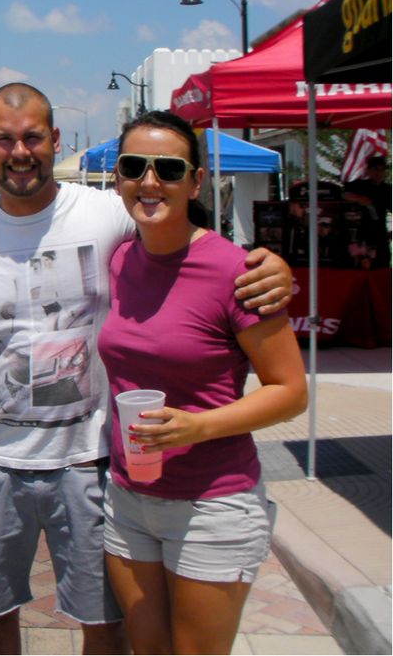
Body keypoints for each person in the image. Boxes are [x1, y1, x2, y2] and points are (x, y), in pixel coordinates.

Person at [0, 84, 293, 655]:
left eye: (32, 138)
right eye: (5, 139)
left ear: (55, 140)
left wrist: (273, 266)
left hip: (95, 459)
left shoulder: (108, 214)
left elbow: (189, 248)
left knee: (108, 623)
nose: (19, 151)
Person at [98, 110, 307, 654]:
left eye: (167, 168)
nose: (149, 181)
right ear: (117, 177)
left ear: (195, 181)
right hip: (128, 498)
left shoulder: (238, 272)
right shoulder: (118, 258)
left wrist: (198, 426)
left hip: (212, 505)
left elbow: (290, 391)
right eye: (133, 166)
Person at [344, 155, 391, 267]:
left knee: (381, 269)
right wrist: (359, 199)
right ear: (368, 171)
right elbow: (343, 194)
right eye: (375, 169)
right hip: (359, 236)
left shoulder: (388, 190)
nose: (379, 173)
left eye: (382, 169)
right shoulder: (360, 185)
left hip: (380, 237)